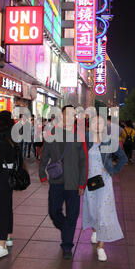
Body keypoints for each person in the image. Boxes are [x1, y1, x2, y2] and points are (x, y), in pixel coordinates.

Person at [39, 105, 88, 260]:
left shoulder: (79, 135)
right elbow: (44, 154)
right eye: (66, 114)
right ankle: (67, 229)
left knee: (72, 215)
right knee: (54, 211)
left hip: (74, 183)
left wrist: (82, 183)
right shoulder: (52, 132)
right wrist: (42, 174)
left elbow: (83, 161)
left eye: (72, 115)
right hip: (57, 181)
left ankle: (67, 245)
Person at [83, 115, 127, 261]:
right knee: (93, 209)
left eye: (100, 123)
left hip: (104, 182)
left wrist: (112, 170)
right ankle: (95, 230)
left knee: (103, 211)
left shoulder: (108, 141)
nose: (97, 126)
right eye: (95, 123)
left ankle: (101, 247)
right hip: (90, 180)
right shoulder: (87, 140)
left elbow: (123, 158)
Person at [0, 111, 20, 260]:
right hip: (10, 176)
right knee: (7, 206)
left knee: (1, 209)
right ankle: (8, 236)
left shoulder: (1, 137)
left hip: (1, 177)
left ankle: (1, 245)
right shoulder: (14, 135)